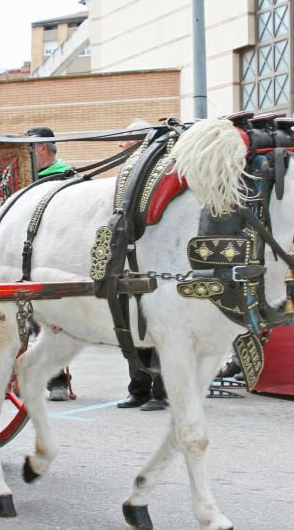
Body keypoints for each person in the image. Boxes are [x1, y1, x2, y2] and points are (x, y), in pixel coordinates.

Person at [113, 120, 168, 411]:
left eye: (125, 141)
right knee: (136, 328)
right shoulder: (128, 175)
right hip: (131, 257)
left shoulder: (156, 172)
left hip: (154, 260)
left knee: (157, 330)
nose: (121, 146)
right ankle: (139, 390)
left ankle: (162, 393)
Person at [24, 127, 77, 401]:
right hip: (35, 253)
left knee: (49, 317)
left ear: (41, 148)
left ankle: (55, 378)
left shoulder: (59, 177)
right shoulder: (67, 175)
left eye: (29, 149)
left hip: (52, 254)